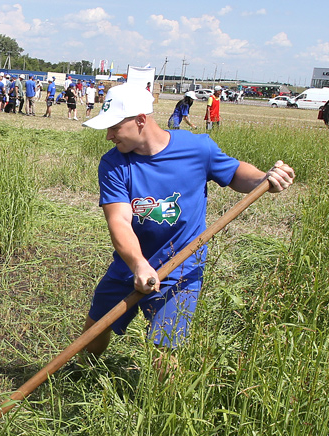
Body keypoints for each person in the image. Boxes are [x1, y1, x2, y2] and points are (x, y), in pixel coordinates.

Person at [78, 84, 295, 358]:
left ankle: (162, 400)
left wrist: (265, 179)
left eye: (114, 128)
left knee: (164, 350)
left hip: (181, 267)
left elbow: (237, 173)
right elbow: (119, 220)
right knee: (95, 330)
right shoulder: (113, 164)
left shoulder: (197, 148)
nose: (108, 135)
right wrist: (139, 265)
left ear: (141, 120)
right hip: (131, 265)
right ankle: (82, 377)